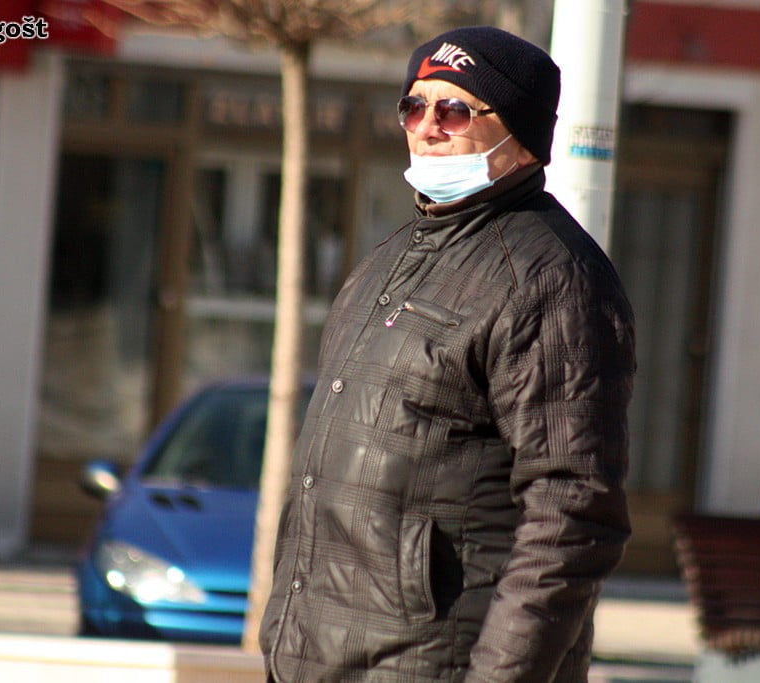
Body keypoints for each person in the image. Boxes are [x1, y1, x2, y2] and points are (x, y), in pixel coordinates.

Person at [259, 25, 635, 682]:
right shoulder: (389, 260)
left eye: (454, 109)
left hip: (435, 665)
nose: (427, 127)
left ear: (520, 137)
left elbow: (572, 510)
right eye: (414, 106)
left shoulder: (552, 278)